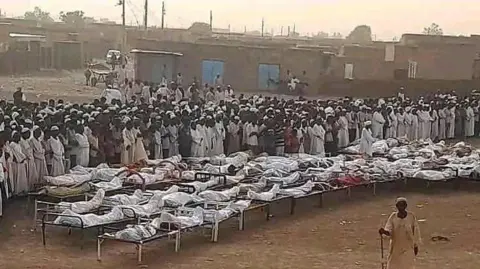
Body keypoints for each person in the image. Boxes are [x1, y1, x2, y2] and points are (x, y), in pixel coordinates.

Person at [379, 197, 421, 269]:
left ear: (405, 206)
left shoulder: (411, 216)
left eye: (403, 205)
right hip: (395, 247)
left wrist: (415, 245)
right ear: (397, 206)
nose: (401, 207)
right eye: (399, 205)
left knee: (408, 265)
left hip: (408, 247)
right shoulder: (393, 217)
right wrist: (384, 232)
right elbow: (389, 230)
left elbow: (416, 232)